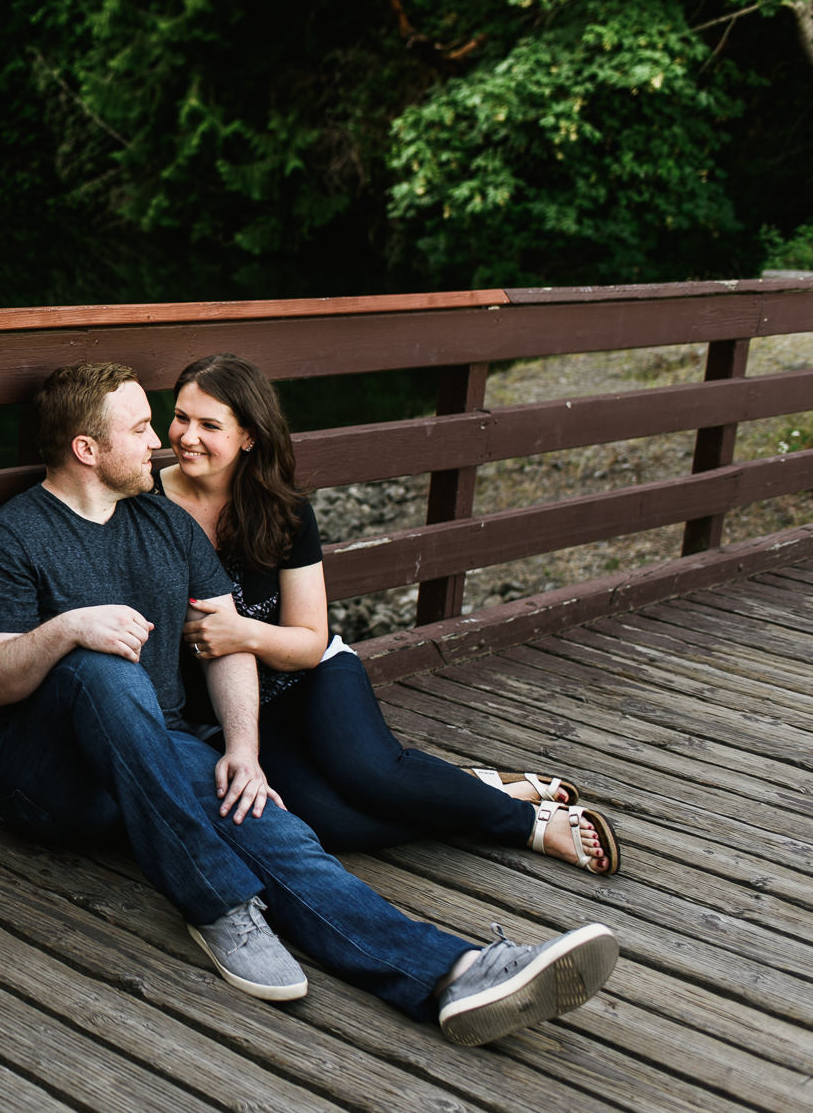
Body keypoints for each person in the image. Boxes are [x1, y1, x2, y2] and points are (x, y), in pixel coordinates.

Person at [0, 361, 618, 1045]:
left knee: (272, 822)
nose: (160, 441)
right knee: (105, 669)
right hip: (46, 779)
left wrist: (243, 752)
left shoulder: (164, 522)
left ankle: (454, 974)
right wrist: (67, 628)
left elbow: (228, 644)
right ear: (87, 450)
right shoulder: (14, 535)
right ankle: (217, 901)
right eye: (143, 427)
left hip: (156, 749)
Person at [161, 353, 619, 875]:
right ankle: (461, 786)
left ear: (249, 436)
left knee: (372, 774)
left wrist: (240, 633)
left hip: (310, 677)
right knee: (335, 825)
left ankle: (533, 826)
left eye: (209, 425)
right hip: (233, 716)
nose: (186, 435)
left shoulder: (283, 509)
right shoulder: (151, 503)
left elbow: (310, 641)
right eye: (180, 417)